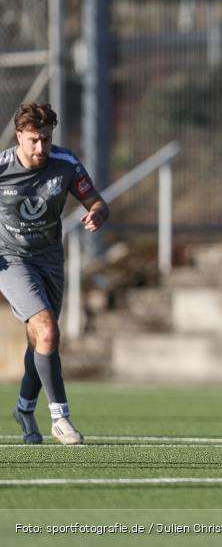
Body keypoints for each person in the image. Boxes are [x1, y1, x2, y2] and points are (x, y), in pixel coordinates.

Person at [4, 102, 109, 445]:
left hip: (50, 260)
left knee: (40, 339)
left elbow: (97, 202)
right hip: (10, 259)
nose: (40, 148)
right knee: (48, 330)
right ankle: (60, 418)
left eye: (46, 139)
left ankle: (24, 409)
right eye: (33, 140)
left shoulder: (65, 163)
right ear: (19, 136)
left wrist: (97, 214)